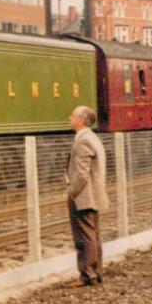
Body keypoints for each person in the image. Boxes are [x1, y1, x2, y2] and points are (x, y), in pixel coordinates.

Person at [65, 105, 110, 287]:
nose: (70, 118)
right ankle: (96, 272)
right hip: (93, 194)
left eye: (73, 116)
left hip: (84, 196)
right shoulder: (93, 138)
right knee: (93, 234)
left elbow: (82, 174)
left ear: (81, 120)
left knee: (85, 236)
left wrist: (72, 192)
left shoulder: (83, 141)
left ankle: (87, 275)